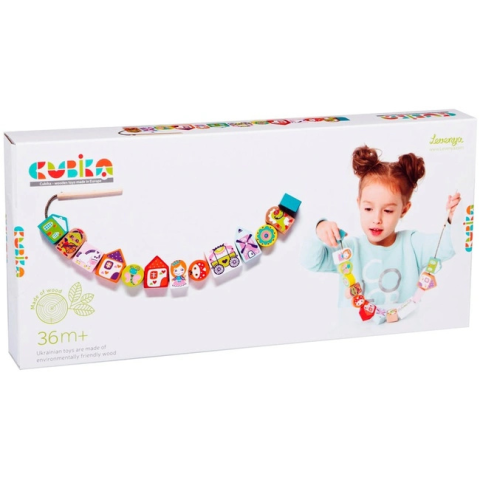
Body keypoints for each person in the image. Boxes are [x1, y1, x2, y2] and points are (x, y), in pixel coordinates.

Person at [300, 145, 461, 307]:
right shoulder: (348, 250)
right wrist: (319, 229)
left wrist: (453, 219)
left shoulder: (413, 245)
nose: (376, 219)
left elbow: (447, 246)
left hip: (404, 322)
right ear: (359, 204)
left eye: (388, 211)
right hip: (354, 323)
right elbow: (312, 262)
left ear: (404, 210)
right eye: (368, 209)